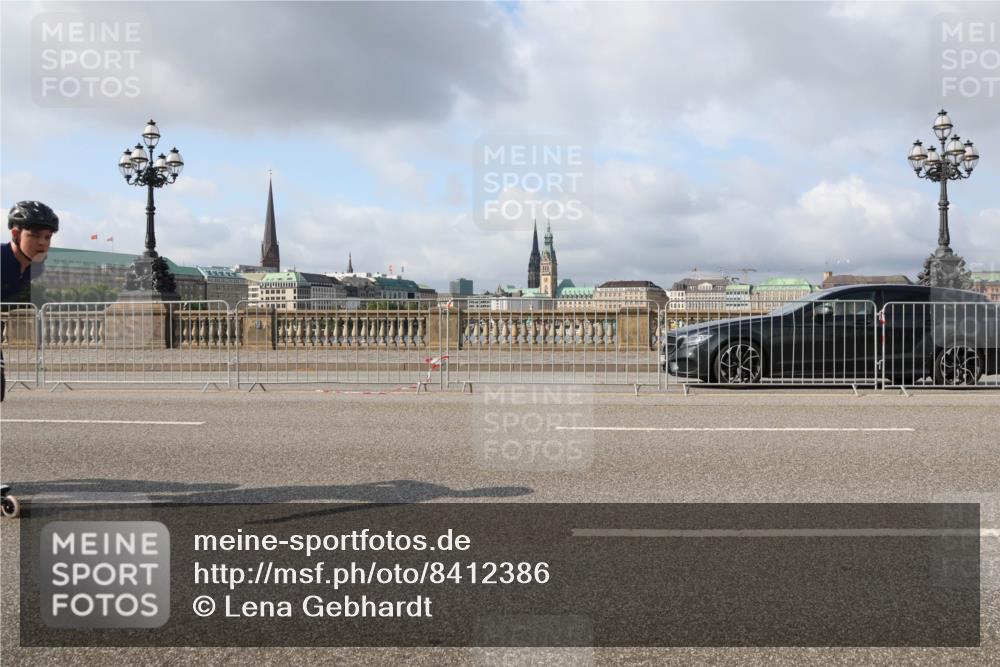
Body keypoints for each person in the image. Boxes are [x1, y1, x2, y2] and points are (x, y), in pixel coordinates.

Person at [1, 201, 58, 517]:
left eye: (48, 237)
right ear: (15, 232)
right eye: (35, 235)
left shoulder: (34, 266)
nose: (42, 243)